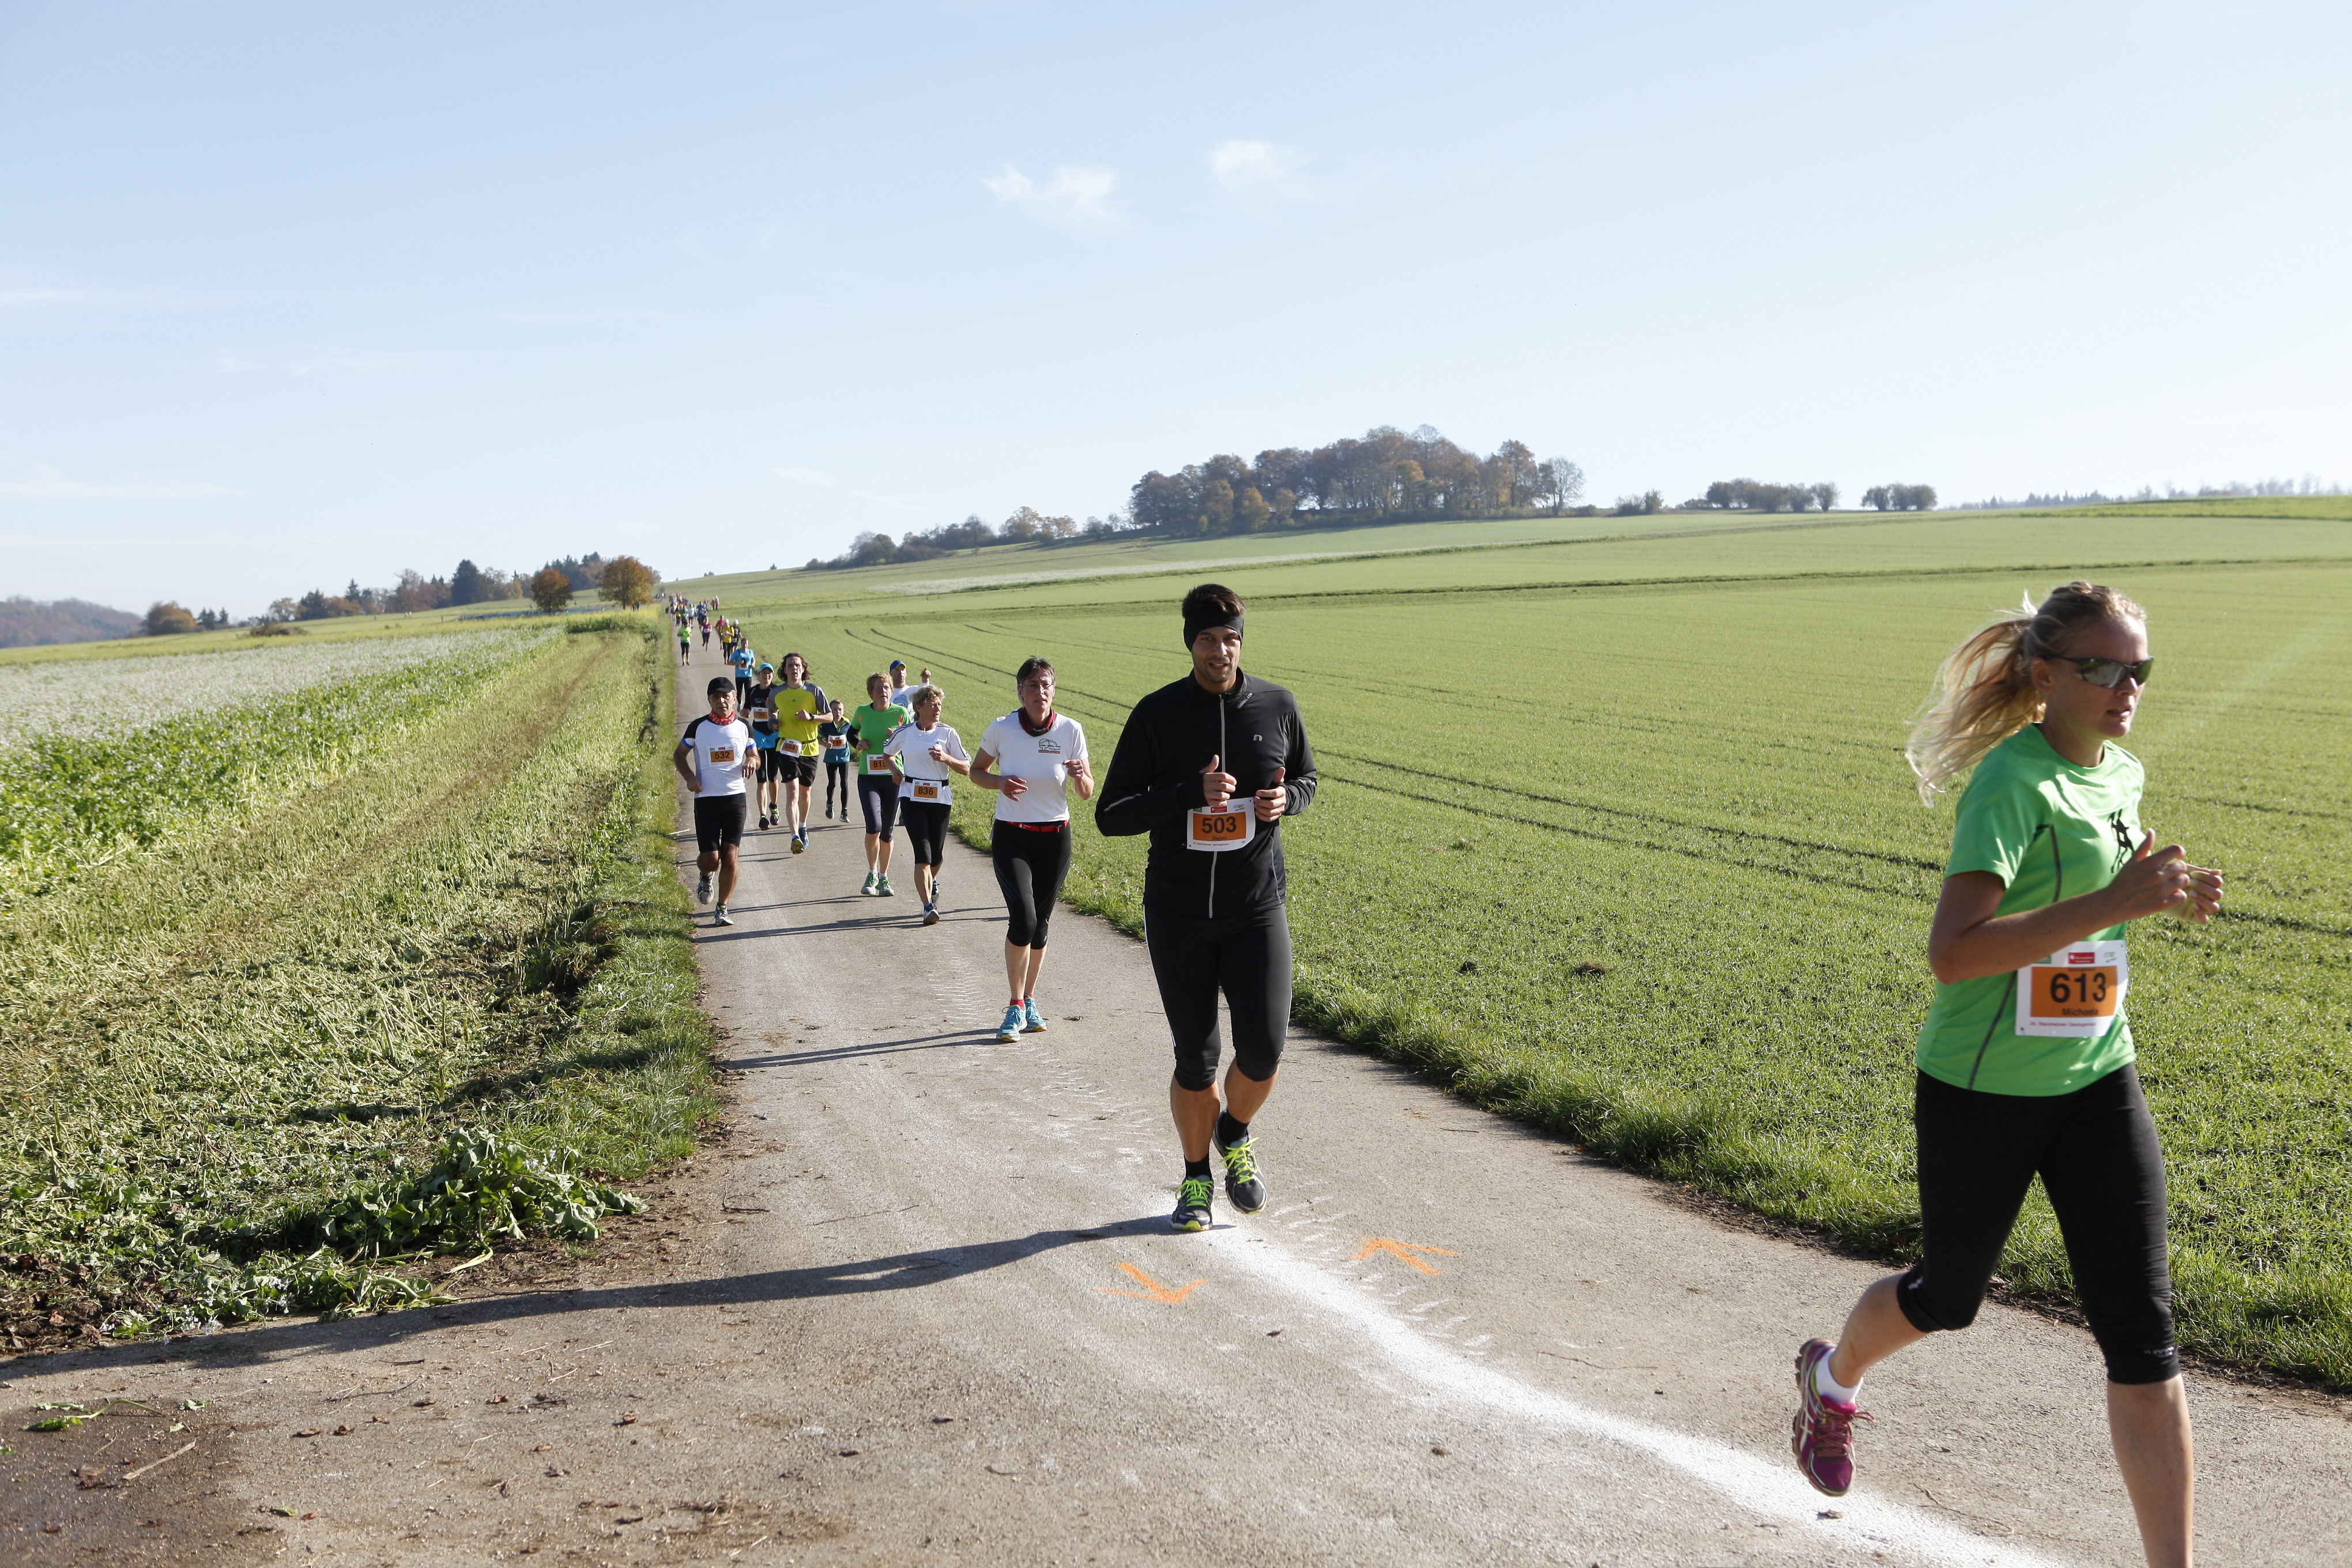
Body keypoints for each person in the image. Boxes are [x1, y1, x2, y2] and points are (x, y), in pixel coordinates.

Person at [1789, 581, 2221, 1568]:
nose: (2126, 688)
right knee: (1948, 1297)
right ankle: (1833, 1379)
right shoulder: (2010, 785)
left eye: (2139, 671)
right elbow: (1956, 953)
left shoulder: (2121, 773)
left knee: (2144, 1336)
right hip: (1984, 1087)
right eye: (2102, 668)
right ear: (2046, 674)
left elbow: (2098, 897)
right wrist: (2114, 901)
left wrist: (2162, 894)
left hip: (2099, 1075)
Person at [1097, 583, 1317, 1233]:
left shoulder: (1277, 705)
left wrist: (1287, 801)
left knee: (1265, 1050)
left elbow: (1307, 777)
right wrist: (1185, 794)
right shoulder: (1157, 714)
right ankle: (1196, 1178)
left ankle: (1234, 1130)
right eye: (1207, 639)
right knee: (1196, 1060)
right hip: (1179, 913)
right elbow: (1111, 814)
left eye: (1230, 639)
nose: (1220, 651)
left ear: (1242, 642)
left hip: (1256, 908)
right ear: (1190, 642)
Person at [972, 658, 1093, 1043]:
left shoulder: (1071, 730)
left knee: (1040, 925)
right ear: (1020, 691)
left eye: (1046, 684)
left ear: (1053, 690)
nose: (1040, 691)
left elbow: (1086, 792)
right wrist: (1000, 782)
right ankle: (1014, 1005)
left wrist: (1081, 776)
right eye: (1032, 685)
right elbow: (976, 772)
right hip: (1013, 836)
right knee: (1023, 919)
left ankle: (1029, 999)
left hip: (1055, 838)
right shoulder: (1002, 728)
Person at [673, 676, 756, 927]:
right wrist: (690, 778)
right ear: (709, 700)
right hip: (707, 800)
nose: (721, 701)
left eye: (726, 696)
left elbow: (754, 754)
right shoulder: (698, 727)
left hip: (735, 799)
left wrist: (752, 761)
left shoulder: (744, 726)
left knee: (730, 855)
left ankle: (722, 908)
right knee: (711, 859)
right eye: (716, 697)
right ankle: (705, 875)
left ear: (735, 698)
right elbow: (679, 754)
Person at [884, 684, 971, 925]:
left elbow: (966, 768)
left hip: (940, 799)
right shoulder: (905, 733)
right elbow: (888, 753)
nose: (937, 709)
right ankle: (927, 906)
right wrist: (895, 771)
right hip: (912, 798)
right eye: (933, 704)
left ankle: (931, 880)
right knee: (922, 855)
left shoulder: (947, 733)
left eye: (940, 705)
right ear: (919, 707)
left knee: (937, 856)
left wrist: (946, 758)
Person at [849, 673, 913, 896]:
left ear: (892, 691)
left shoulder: (901, 713)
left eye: (886, 687)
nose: (883, 691)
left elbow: (913, 740)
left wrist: (898, 737)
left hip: (893, 776)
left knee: (887, 830)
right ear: (871, 692)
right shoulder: (862, 712)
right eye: (878, 688)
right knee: (874, 826)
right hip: (868, 776)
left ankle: (884, 877)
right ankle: (872, 872)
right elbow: (851, 733)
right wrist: (858, 743)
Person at [771, 653, 827, 853]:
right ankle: (794, 835)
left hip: (810, 748)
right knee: (793, 792)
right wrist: (773, 722)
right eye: (790, 665)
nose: (794, 668)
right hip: (787, 747)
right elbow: (772, 712)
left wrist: (811, 717)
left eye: (797, 665)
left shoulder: (814, 691)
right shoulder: (776, 693)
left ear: (803, 669)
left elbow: (829, 717)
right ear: (785, 670)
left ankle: (803, 826)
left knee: (805, 792)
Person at [744, 661, 785, 831]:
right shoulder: (752, 691)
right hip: (758, 737)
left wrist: (773, 709)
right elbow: (746, 709)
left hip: (774, 737)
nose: (767, 676)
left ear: (772, 676)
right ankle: (762, 816)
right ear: (759, 675)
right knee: (761, 780)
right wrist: (745, 712)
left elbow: (784, 712)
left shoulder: (777, 691)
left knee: (773, 777)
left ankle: (774, 806)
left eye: (769, 673)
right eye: (764, 673)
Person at [819, 699, 852, 822]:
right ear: (830, 711)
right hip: (831, 758)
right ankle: (830, 803)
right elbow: (818, 737)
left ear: (843, 711)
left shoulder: (848, 724)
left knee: (844, 783)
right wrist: (825, 744)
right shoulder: (826, 725)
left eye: (840, 710)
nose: (837, 712)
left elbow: (853, 736)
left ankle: (844, 811)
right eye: (834, 709)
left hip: (844, 757)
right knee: (832, 783)